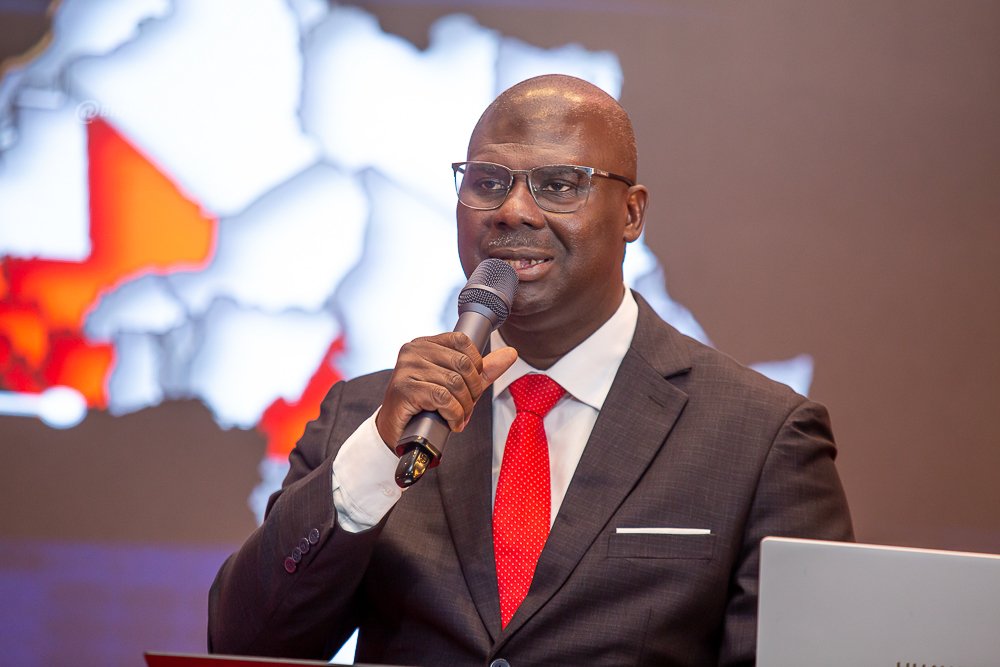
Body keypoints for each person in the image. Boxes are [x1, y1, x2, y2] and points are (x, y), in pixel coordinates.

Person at [208, 74, 852, 666]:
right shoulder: (368, 419)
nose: (512, 210)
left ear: (631, 213)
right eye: (488, 182)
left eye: (559, 185)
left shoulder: (761, 437)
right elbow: (245, 644)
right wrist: (376, 457)